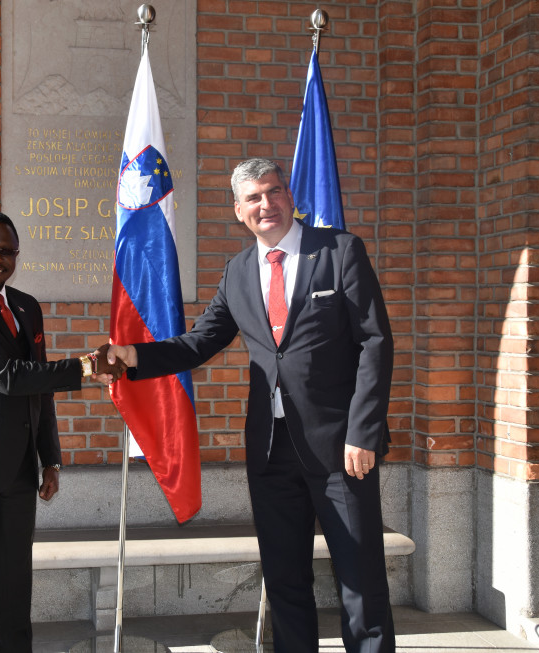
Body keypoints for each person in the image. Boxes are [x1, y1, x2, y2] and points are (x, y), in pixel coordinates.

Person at [106, 158, 395, 652]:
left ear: (290, 197)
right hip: (271, 452)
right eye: (254, 198)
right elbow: (198, 343)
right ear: (238, 211)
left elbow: (375, 342)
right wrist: (133, 357)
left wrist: (362, 431)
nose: (267, 204)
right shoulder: (239, 271)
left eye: (274, 191)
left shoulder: (340, 252)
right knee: (284, 583)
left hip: (341, 451)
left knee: (360, 584)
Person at [0, 210, 125, 653]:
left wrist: (49, 458)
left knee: (16, 590)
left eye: (6, 250)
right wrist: (85, 367)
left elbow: (39, 388)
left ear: (16, 255)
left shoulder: (26, 307)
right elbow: (7, 375)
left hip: (19, 471)